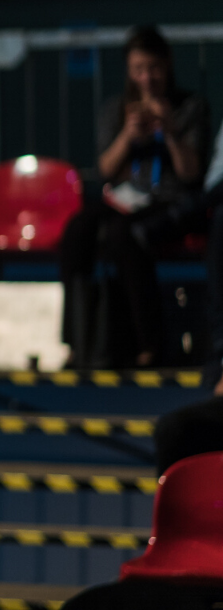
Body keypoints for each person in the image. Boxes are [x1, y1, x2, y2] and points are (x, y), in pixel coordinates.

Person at [58, 25, 209, 368]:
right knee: (78, 229)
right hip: (125, 199)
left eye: (153, 68)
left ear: (167, 65)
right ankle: (77, 339)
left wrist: (170, 132)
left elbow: (191, 174)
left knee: (124, 235)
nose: (147, 78)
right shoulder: (117, 109)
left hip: (172, 202)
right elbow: (105, 169)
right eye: (138, 69)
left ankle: (147, 343)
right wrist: (128, 136)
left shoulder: (191, 107)